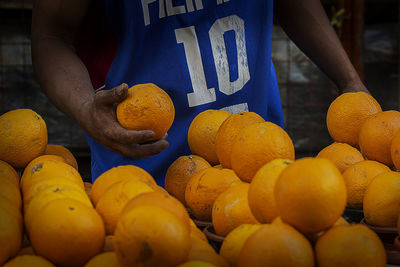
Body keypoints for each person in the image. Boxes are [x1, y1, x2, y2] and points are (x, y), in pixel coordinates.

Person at [31, 0, 369, 186]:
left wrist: (350, 82)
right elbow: (51, 35)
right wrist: (85, 106)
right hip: (138, 185)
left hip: (256, 169)